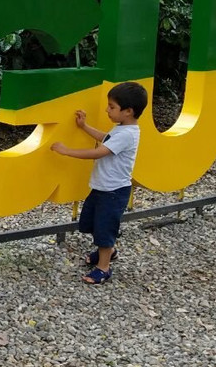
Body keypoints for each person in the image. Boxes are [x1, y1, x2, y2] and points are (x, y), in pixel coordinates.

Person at [51, 81, 148, 285]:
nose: (107, 110)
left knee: (104, 229)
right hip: (102, 187)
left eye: (112, 107)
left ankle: (103, 267)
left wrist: (67, 151)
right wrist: (84, 126)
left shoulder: (128, 134)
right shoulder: (121, 128)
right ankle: (109, 251)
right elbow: (106, 138)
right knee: (90, 222)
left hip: (113, 192)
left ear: (128, 111)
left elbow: (99, 152)